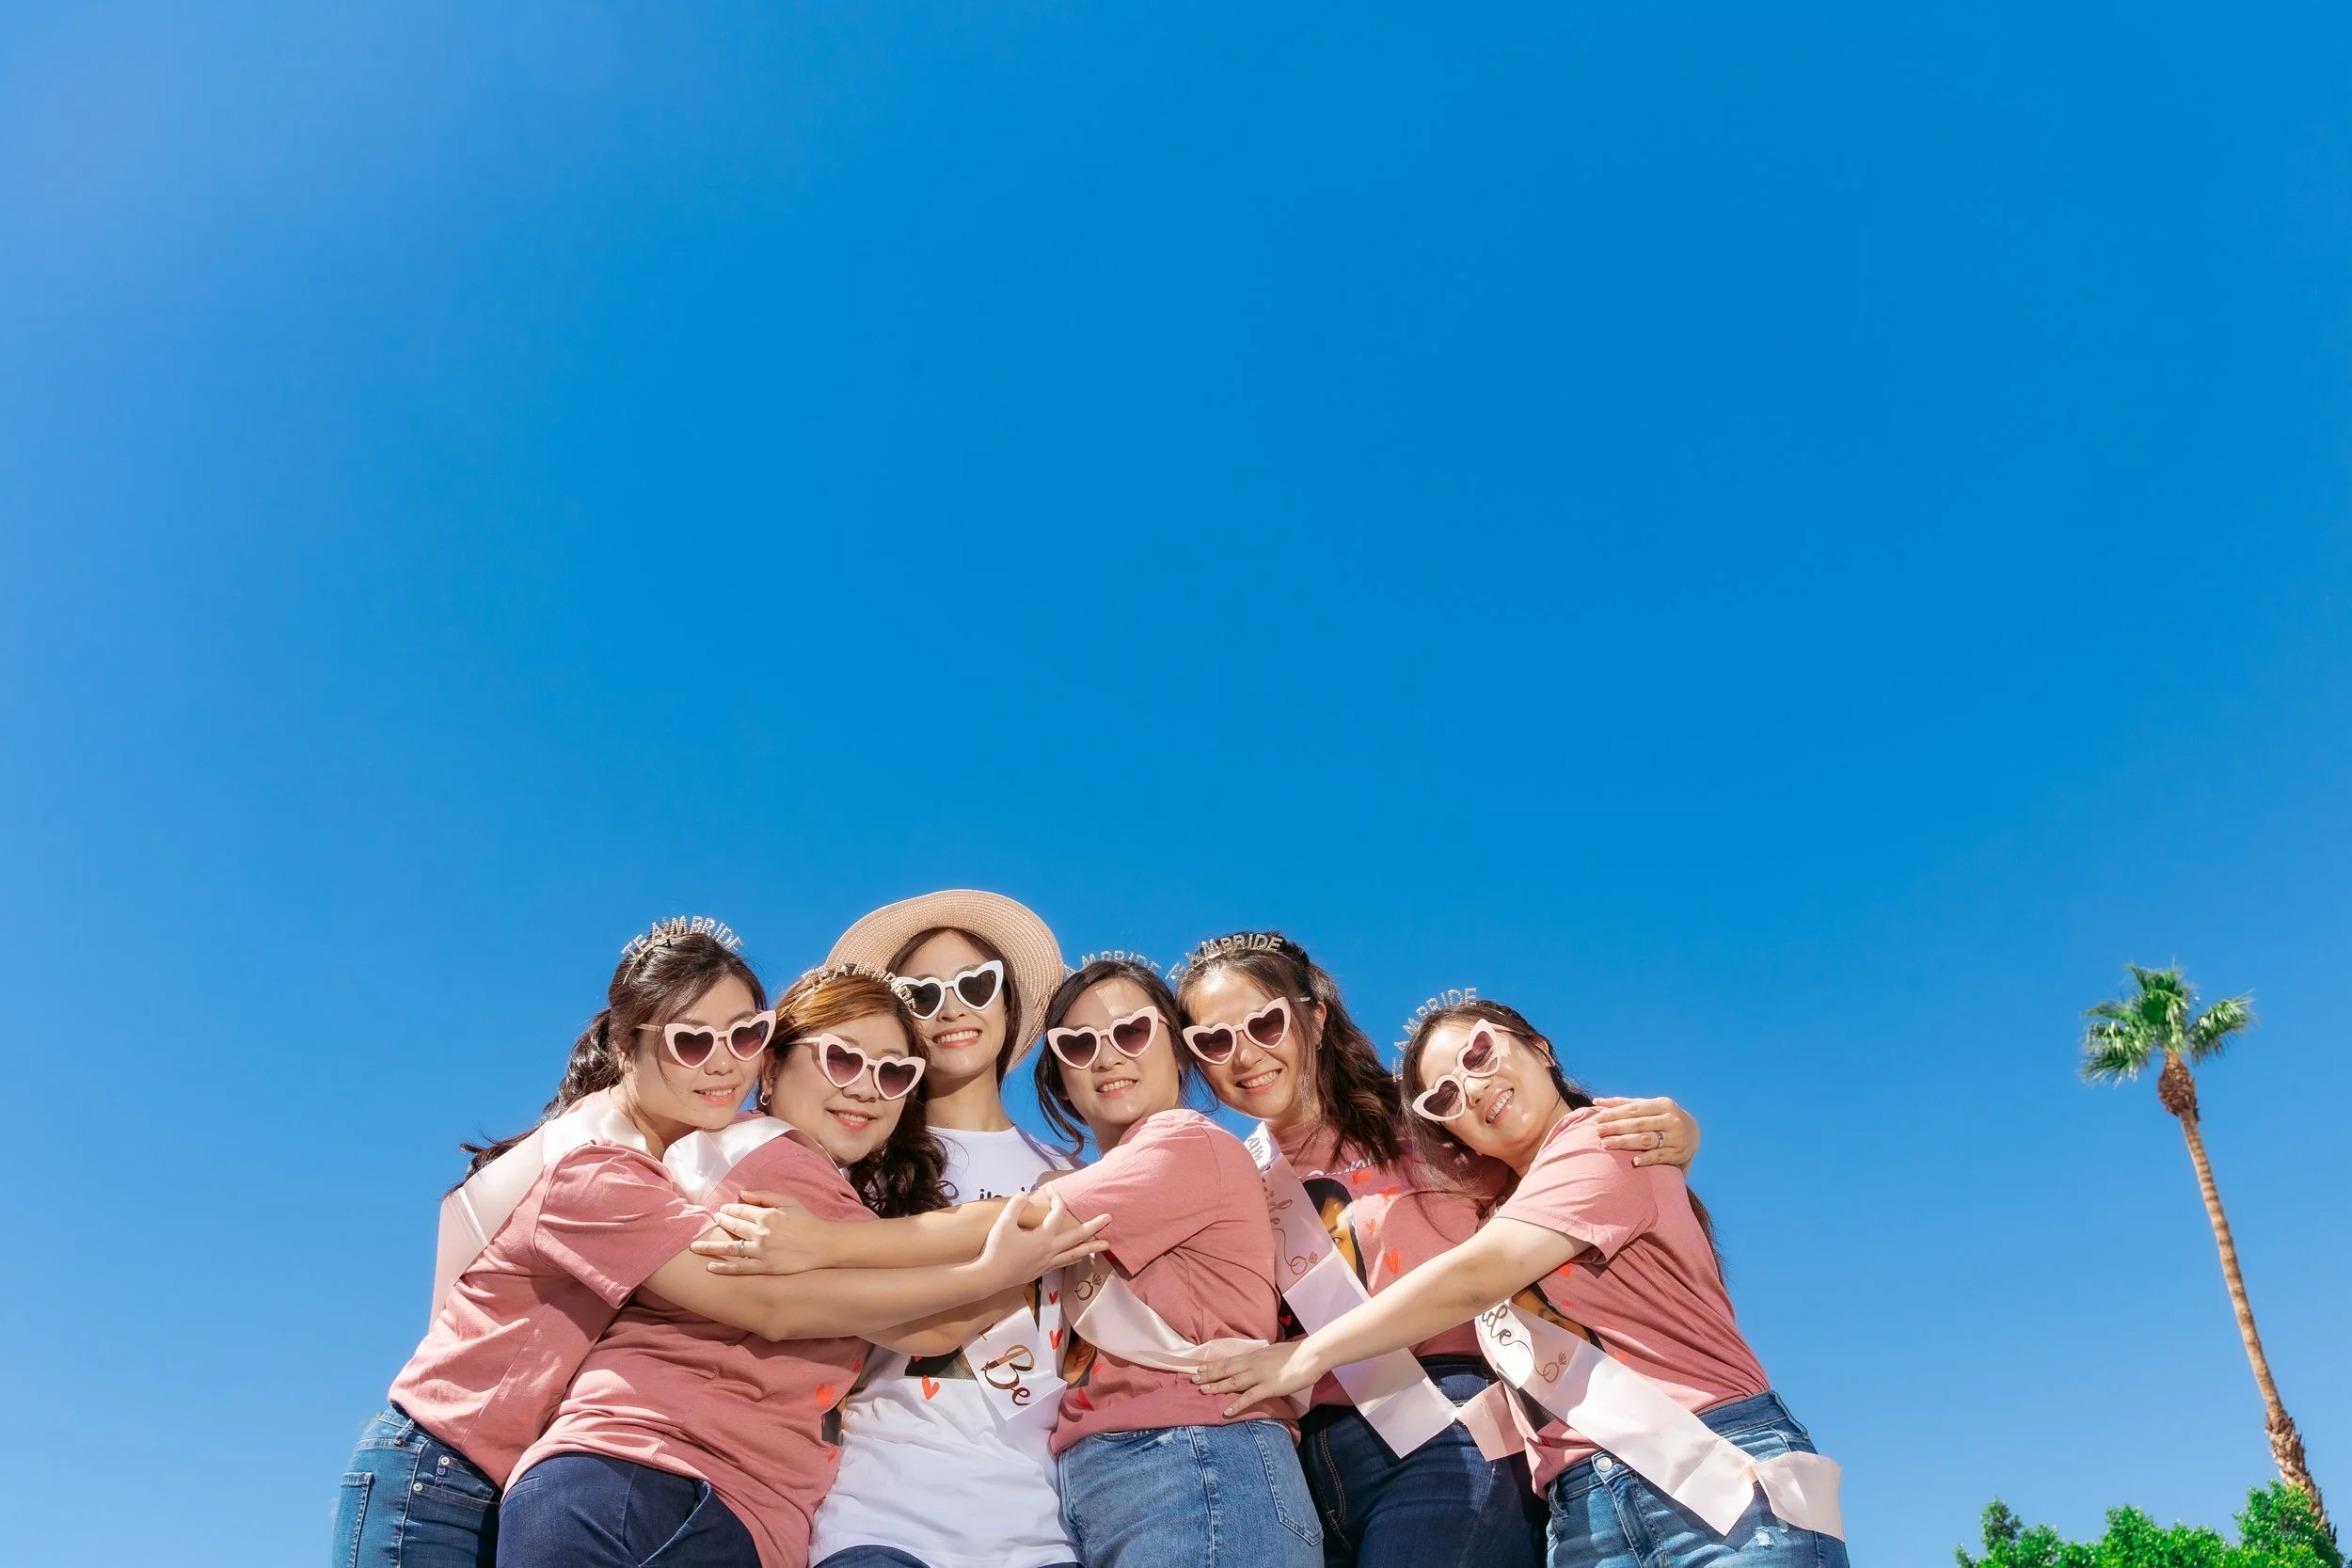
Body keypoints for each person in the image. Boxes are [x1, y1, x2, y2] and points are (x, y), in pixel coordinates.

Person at [1191, 998, 1846, 1568]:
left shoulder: (1603, 1140)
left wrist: (1302, 1356)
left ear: (1539, 1046)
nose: (1471, 1088)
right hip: (1581, 1507)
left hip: (1714, 1460)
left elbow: (1477, 1276)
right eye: (1443, 1095)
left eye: (1479, 1053)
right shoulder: (1491, 1206)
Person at [497, 966, 1103, 1568]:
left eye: (894, 1074)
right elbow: (929, 1328)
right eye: (842, 1059)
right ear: (771, 1065)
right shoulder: (774, 1159)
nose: (867, 1088)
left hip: (706, 1497)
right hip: (658, 1476)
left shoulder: (783, 1174)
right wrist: (1034, 1244)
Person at [1173, 932, 1702, 1568]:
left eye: (1265, 1022)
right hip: (1307, 1466)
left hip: (1449, 1430)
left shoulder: (1430, 1110)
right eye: (1213, 1040)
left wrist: (1676, 1133)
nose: (1244, 1054)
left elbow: (1553, 1143)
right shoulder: (1232, 1174)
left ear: (1314, 1014)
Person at [331, 921, 775, 1568]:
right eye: (690, 1039)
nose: (724, 1060)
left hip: (503, 1481)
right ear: (627, 1047)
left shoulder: (672, 1156)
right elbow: (765, 1305)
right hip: (439, 1481)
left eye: (746, 1033)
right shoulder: (598, 1157)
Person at [1030, 957, 1321, 1568]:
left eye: (1131, 1031)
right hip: (1142, 1477)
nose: (1107, 1056)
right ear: (1059, 1074)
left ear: (1179, 1049)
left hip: (1198, 1464)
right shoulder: (1109, 1177)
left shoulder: (1185, 1143)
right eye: (1077, 1044)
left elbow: (1017, 1224)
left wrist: (822, 1244)